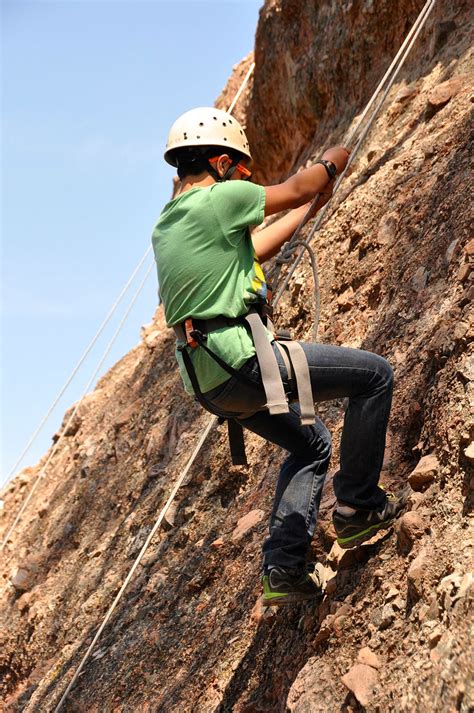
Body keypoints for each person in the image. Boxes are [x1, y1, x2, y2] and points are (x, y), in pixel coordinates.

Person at [152, 107, 410, 607]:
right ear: (222, 162)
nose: (246, 179)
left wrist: (309, 211)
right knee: (374, 377)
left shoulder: (170, 223)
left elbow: (257, 246)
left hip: (210, 379)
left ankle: (284, 569)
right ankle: (358, 509)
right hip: (244, 358)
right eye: (242, 170)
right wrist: (333, 164)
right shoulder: (221, 196)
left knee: (310, 444)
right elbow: (295, 186)